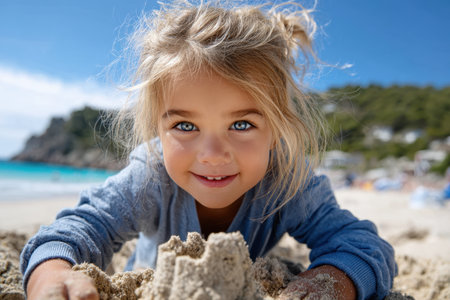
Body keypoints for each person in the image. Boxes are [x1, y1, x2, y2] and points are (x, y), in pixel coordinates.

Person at [20, 1, 397, 299]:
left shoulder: (287, 181)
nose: (213, 154)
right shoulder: (151, 175)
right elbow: (81, 228)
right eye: (185, 126)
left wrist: (330, 282)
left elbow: (364, 245)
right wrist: (51, 273)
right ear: (158, 128)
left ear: (277, 128)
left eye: (242, 125)